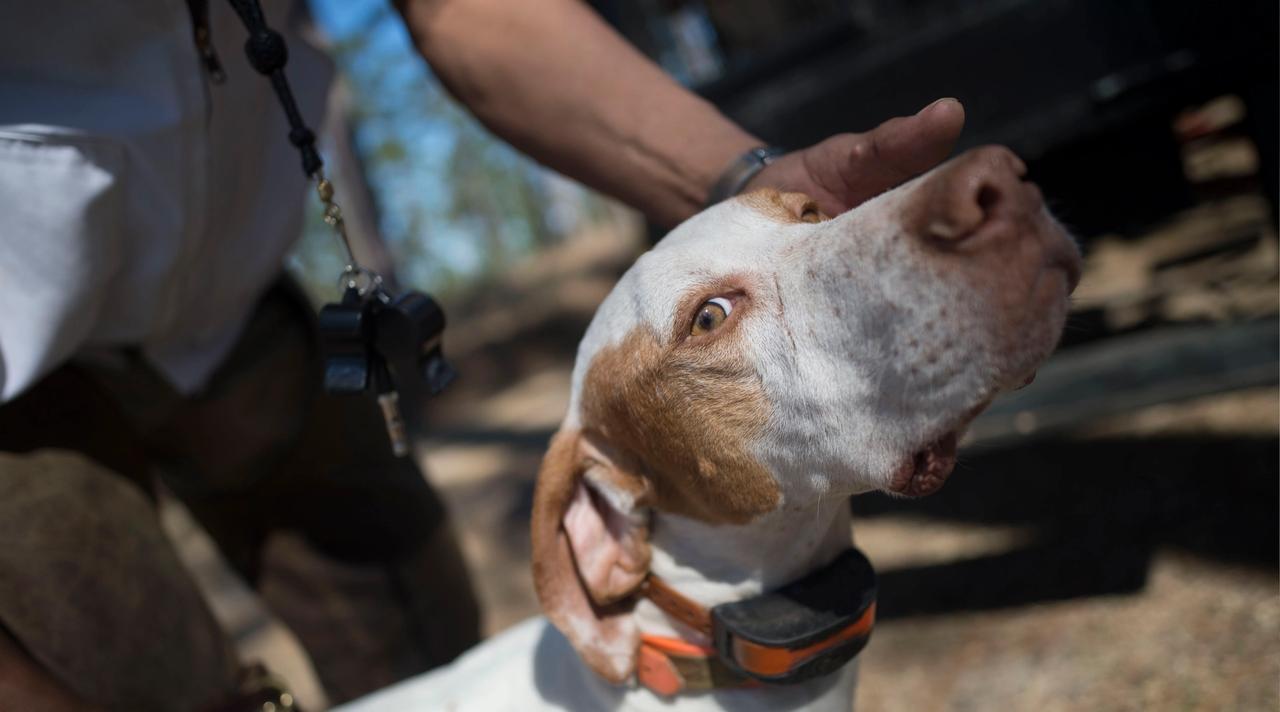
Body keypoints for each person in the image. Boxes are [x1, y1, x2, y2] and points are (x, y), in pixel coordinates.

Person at [0, 0, 965, 709]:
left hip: (235, 297)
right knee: (137, 678)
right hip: (17, 367)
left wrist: (744, 180)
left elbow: (467, 8)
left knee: (416, 635)